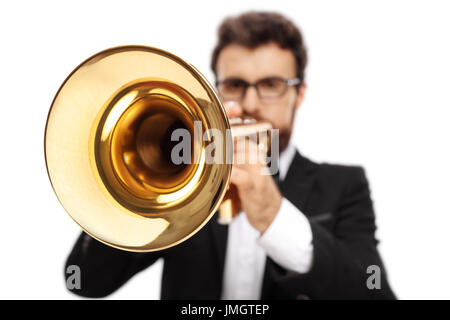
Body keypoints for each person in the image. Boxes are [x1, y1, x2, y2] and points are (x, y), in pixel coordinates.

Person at [65, 11, 396, 299]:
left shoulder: (344, 184)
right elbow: (84, 280)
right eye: (235, 84)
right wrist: (151, 178)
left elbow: (373, 292)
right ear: (216, 89)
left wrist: (274, 216)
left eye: (271, 84)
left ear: (299, 94)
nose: (250, 103)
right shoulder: (179, 184)